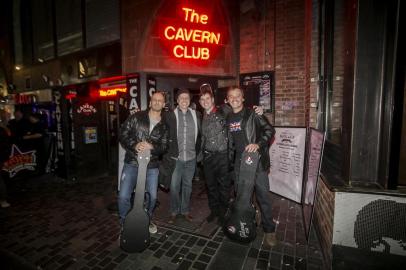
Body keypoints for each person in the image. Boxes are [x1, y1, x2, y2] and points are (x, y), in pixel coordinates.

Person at [199, 83, 264, 225]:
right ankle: (214, 211)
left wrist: (257, 109)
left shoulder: (224, 110)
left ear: (213, 100)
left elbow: (240, 109)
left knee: (224, 187)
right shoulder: (201, 116)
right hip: (208, 156)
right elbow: (202, 137)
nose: (205, 102)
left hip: (223, 155)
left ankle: (223, 213)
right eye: (202, 100)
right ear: (200, 102)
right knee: (210, 186)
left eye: (207, 99)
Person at [226, 86, 278, 247]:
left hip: (257, 163)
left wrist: (258, 144)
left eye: (238, 96)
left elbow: (270, 130)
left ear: (243, 98)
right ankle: (248, 219)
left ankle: (269, 230)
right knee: (242, 197)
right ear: (227, 100)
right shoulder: (228, 117)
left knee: (263, 196)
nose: (234, 99)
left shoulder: (253, 114)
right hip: (239, 165)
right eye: (231, 96)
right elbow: (231, 144)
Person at [118, 91, 169, 234]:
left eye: (160, 100)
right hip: (132, 163)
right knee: (123, 196)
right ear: (150, 101)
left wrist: (152, 147)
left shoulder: (164, 125)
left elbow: (164, 147)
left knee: (152, 197)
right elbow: (123, 133)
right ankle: (124, 223)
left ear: (164, 104)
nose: (157, 102)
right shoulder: (137, 117)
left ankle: (146, 220)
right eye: (155, 99)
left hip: (151, 166)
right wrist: (134, 145)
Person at [163, 88, 201, 224]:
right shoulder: (170, 115)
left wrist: (199, 153)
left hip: (191, 157)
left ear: (190, 101)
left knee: (187, 186)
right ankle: (174, 211)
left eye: (187, 98)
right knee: (174, 186)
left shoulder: (196, 115)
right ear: (177, 100)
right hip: (176, 158)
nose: (184, 100)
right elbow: (163, 133)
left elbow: (200, 135)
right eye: (181, 98)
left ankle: (185, 211)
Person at [0, 109, 11, 208]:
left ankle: (3, 200)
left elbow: (5, 145)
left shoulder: (2, 130)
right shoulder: (3, 129)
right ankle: (3, 200)